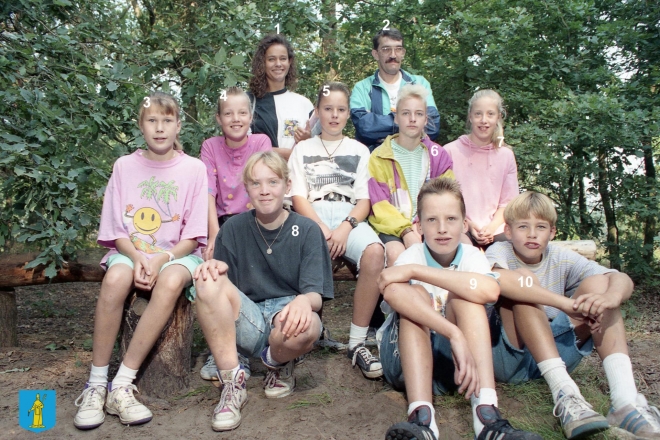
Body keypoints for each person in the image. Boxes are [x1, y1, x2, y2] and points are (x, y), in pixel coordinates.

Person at [73, 92, 208, 430]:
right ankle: (96, 384)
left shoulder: (194, 169)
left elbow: (192, 236)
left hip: (178, 255)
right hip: (129, 252)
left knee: (172, 280)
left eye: (167, 121)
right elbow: (116, 229)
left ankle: (122, 384)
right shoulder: (124, 166)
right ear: (140, 125)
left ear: (179, 126)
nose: (159, 128)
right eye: (152, 120)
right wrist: (137, 257)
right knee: (116, 280)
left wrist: (161, 258)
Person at [486, 191, 660, 440]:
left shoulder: (560, 256)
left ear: (552, 232)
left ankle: (625, 401)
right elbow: (500, 281)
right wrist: (565, 304)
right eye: (523, 226)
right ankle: (565, 394)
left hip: (556, 350)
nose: (532, 234)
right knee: (523, 282)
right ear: (509, 231)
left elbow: (620, 279)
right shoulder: (499, 250)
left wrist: (609, 298)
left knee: (601, 286)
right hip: (513, 356)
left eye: (541, 227)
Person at [379, 178, 541, 440]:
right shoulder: (410, 256)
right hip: (406, 361)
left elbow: (490, 291)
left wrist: (417, 272)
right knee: (416, 296)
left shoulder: (472, 256)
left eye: (451, 219)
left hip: (460, 367)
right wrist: (454, 333)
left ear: (465, 224)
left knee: (465, 296)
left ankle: (486, 417)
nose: (442, 229)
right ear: (418, 226)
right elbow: (393, 291)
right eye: (432, 220)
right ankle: (422, 419)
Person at [193, 151, 333, 432]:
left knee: (309, 325)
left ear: (287, 186)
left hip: (286, 316)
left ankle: (276, 363)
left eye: (273, 182)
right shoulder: (232, 228)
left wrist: (304, 301)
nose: (265, 190)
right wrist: (213, 269)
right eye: (256, 183)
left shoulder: (307, 230)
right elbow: (224, 294)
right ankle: (233, 382)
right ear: (247, 189)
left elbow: (315, 294)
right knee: (207, 280)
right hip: (248, 317)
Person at [289, 82, 385, 379]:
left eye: (341, 110)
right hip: (309, 216)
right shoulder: (302, 149)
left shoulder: (359, 150)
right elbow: (298, 197)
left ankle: (356, 342)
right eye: (328, 109)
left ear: (347, 115)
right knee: (293, 254)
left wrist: (346, 228)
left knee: (374, 253)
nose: (334, 115)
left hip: (348, 216)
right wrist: (318, 227)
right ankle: (299, 336)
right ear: (317, 112)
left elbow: (365, 200)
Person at [198, 86, 272, 381]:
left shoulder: (261, 141)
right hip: (221, 223)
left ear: (251, 116)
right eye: (228, 113)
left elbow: (263, 184)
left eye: (242, 112)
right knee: (215, 270)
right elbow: (207, 192)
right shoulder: (210, 146)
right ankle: (225, 350)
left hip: (254, 219)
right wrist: (214, 234)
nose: (236, 118)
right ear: (219, 118)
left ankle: (250, 338)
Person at [368, 84, 454, 266]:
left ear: (425, 119)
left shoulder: (438, 156)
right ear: (396, 117)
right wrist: (406, 231)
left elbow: (448, 199)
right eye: (406, 113)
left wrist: (424, 224)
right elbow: (379, 206)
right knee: (396, 254)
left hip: (430, 224)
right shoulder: (379, 156)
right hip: (391, 228)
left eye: (419, 114)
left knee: (459, 248)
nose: (412, 119)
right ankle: (396, 294)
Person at [443, 89, 518, 250]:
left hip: (496, 229)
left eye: (490, 114)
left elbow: (508, 203)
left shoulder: (506, 155)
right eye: (478, 114)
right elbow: (444, 198)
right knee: (467, 253)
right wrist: (468, 224)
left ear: (498, 117)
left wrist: (491, 229)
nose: (484, 120)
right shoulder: (449, 152)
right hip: (459, 226)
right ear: (470, 116)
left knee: (510, 252)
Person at [350, 27, 440, 152]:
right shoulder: (362, 88)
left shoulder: (419, 83)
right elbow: (364, 128)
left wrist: (380, 124)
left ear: (403, 53)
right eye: (386, 49)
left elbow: (432, 126)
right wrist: (411, 126)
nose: (393, 55)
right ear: (375, 54)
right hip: (376, 164)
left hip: (415, 161)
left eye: (398, 49)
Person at [248, 34, 313, 161]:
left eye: (283, 58)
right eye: (271, 59)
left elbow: (319, 148)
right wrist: (287, 154)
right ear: (262, 63)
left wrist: (308, 141)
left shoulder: (304, 104)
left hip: (295, 178)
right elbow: (241, 146)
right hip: (259, 177)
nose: (278, 64)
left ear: (289, 62)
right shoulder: (247, 101)